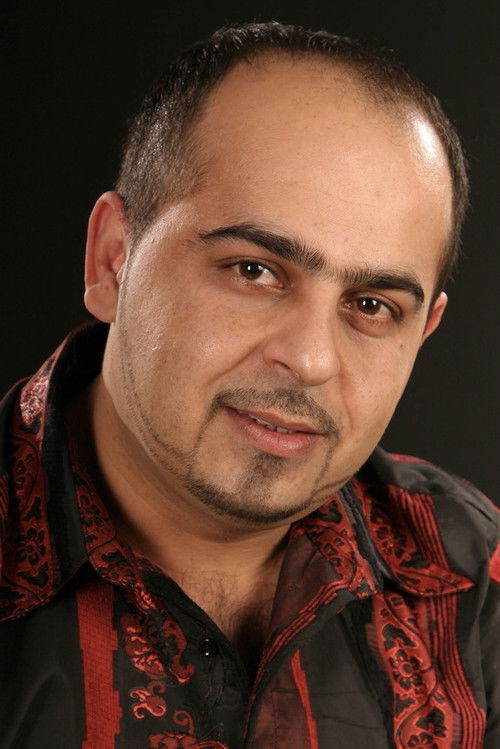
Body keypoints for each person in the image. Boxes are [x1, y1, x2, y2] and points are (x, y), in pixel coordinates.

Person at [0, 21, 498, 749]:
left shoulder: (472, 575)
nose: (310, 358)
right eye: (254, 270)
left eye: (371, 306)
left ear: (422, 333)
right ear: (112, 258)